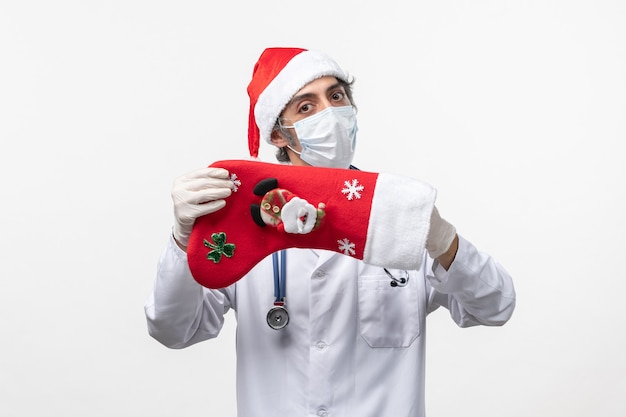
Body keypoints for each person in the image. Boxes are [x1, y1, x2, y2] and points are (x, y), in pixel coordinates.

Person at [145, 47, 516, 417]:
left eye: (336, 97)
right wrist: (183, 239)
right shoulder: (243, 224)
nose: (330, 114)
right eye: (306, 107)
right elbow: (175, 329)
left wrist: (442, 240)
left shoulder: (395, 214)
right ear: (278, 134)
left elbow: (494, 306)